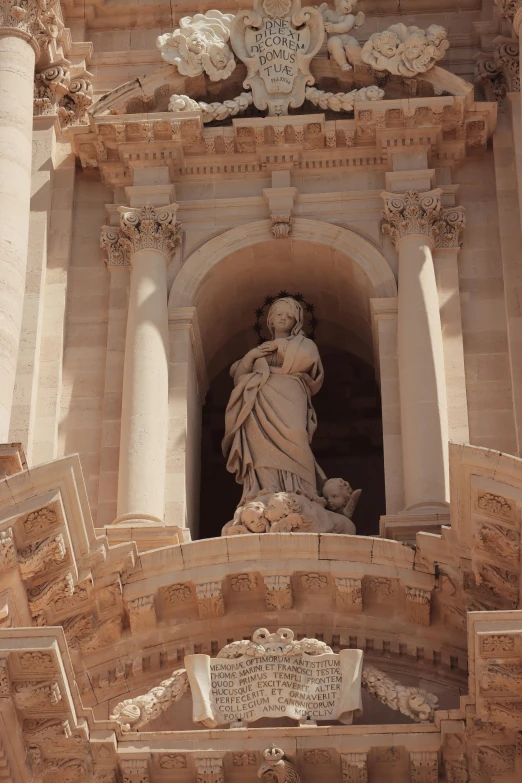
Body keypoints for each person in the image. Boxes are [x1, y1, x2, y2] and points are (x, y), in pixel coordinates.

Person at [222, 297, 326, 506]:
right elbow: (238, 376)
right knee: (260, 445)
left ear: (296, 322)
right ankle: (266, 489)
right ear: (269, 320)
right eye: (279, 314)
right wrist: (251, 356)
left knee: (297, 435)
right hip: (259, 400)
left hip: (291, 394)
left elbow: (309, 359)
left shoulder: (302, 344)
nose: (283, 319)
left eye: (288, 316)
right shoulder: (261, 349)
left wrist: (279, 345)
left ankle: (303, 490)